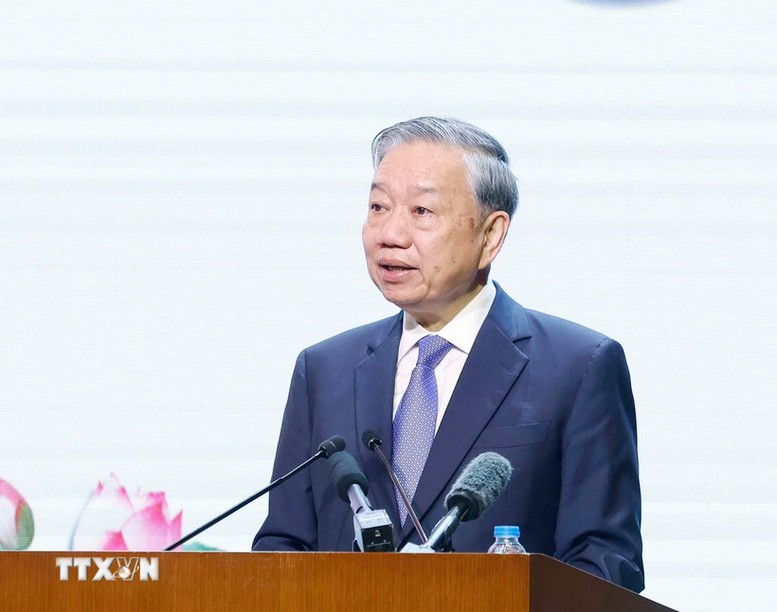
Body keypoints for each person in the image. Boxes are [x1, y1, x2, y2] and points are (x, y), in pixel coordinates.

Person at [252, 116, 644, 593]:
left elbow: (605, 566)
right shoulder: (324, 370)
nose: (389, 233)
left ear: (490, 235)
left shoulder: (578, 367)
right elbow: (283, 548)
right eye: (378, 206)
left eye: (422, 211)